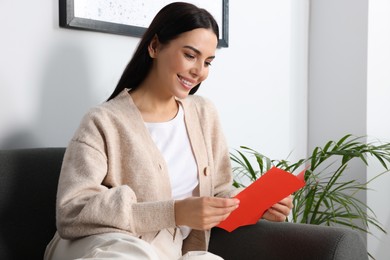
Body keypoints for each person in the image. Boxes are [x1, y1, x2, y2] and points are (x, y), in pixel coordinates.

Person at [44, 2, 293, 260]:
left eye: (208, 62)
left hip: (168, 252)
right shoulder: (103, 121)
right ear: (154, 46)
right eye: (190, 55)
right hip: (106, 246)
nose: (199, 71)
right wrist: (173, 213)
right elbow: (71, 211)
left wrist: (257, 205)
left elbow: (218, 192)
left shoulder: (204, 114)